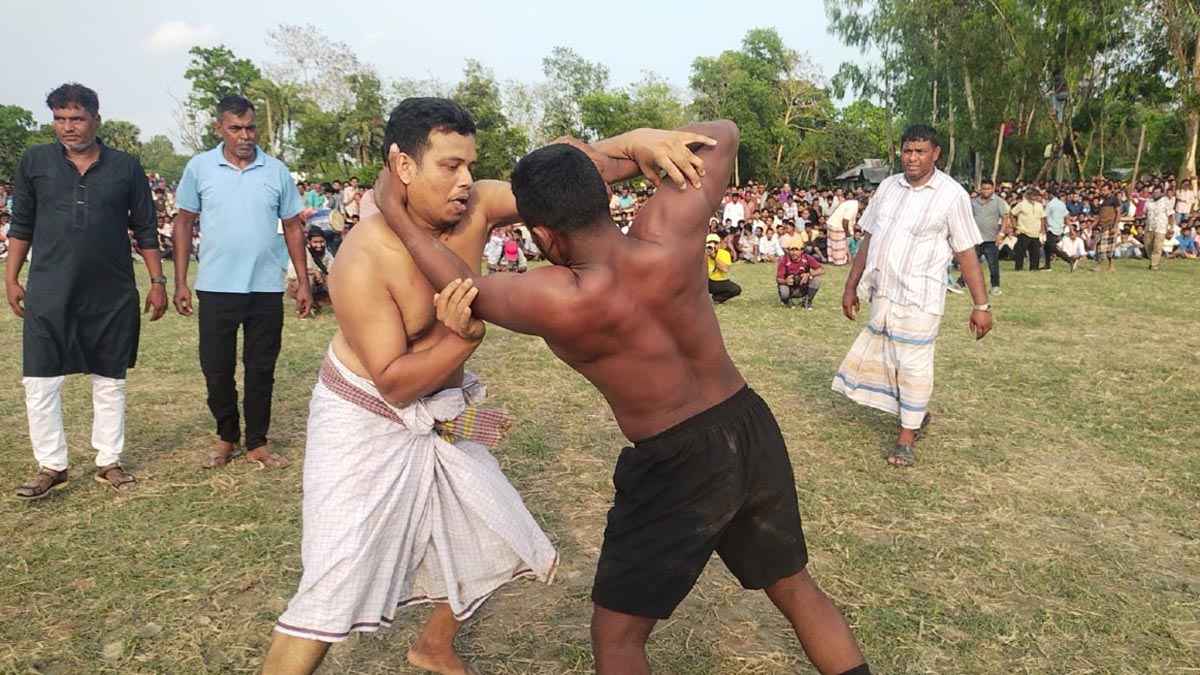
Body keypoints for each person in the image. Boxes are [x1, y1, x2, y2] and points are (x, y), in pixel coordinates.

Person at [375, 119, 872, 675]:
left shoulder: (559, 296)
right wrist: (646, 144)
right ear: (603, 197)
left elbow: (460, 285)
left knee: (618, 637)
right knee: (796, 588)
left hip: (677, 459)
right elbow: (726, 132)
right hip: (748, 423)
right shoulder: (669, 227)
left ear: (540, 234)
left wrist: (393, 211)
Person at [261, 99, 712, 675]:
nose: (467, 181)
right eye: (450, 166)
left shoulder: (476, 208)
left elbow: (570, 178)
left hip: (440, 413)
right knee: (334, 582)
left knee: (491, 525)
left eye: (470, 165)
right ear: (403, 166)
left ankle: (432, 645)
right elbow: (394, 384)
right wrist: (463, 341)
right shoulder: (364, 258)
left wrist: (643, 139)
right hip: (367, 420)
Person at [6, 83, 167, 499]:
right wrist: (11, 277)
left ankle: (108, 461)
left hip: (110, 289)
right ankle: (51, 465)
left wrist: (157, 281)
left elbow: (145, 227)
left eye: (76, 118)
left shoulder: (125, 166)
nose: (67, 127)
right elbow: (21, 223)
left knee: (109, 378)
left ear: (96, 118)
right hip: (49, 288)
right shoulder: (35, 162)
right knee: (40, 380)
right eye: (59, 119)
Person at [834, 124, 993, 468]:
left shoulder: (952, 195)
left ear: (936, 154)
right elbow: (869, 238)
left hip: (921, 296)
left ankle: (906, 437)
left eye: (921, 151)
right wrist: (851, 284)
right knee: (891, 359)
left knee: (914, 364)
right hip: (884, 293)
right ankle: (915, 415)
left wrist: (981, 305)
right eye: (908, 151)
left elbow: (966, 251)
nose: (913, 158)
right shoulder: (889, 187)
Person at [171, 95, 313, 470]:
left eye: (250, 127)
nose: (244, 135)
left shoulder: (276, 171)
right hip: (216, 286)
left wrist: (301, 278)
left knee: (260, 367)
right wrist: (180, 281)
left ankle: (257, 442)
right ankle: (226, 436)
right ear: (220, 129)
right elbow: (183, 222)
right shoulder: (200, 167)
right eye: (235, 128)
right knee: (216, 367)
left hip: (265, 287)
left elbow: (293, 226)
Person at [287, 228, 334, 312]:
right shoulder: (302, 252)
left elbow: (332, 272)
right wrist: (315, 272)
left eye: (321, 242)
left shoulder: (327, 254)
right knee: (309, 279)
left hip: (318, 286)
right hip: (297, 284)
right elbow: (296, 273)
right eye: (315, 242)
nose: (319, 245)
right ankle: (302, 306)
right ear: (309, 242)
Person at [777, 238, 824, 309]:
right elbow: (778, 279)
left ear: (801, 251)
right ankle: (786, 301)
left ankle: (807, 301)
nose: (794, 252)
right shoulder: (784, 260)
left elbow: (821, 270)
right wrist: (785, 281)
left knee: (817, 279)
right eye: (791, 250)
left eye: (796, 250)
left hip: (803, 286)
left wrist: (809, 274)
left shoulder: (807, 258)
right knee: (783, 291)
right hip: (790, 287)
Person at [1010, 189, 1045, 271]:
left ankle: (1034, 268)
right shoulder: (1021, 204)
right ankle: (1018, 268)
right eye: (1033, 195)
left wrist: (1042, 229)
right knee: (1020, 252)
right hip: (1023, 231)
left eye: (1036, 195)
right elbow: (1011, 214)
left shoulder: (1039, 205)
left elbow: (1042, 218)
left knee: (1035, 252)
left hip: (1035, 232)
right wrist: (1015, 226)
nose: (1034, 197)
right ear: (1028, 196)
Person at [706, 232, 741, 303]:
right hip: (702, 281)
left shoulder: (724, 253)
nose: (713, 246)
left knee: (736, 289)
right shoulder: (700, 253)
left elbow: (725, 269)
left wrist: (714, 256)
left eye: (715, 243)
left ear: (719, 244)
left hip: (718, 281)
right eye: (710, 243)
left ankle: (717, 298)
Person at [1042, 188, 1073, 270]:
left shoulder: (1050, 204)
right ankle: (1047, 265)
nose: (1046, 196)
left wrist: (1045, 227)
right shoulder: (1061, 204)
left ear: (1050, 194)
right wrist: (1069, 228)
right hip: (1059, 228)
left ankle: (1069, 259)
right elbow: (1067, 216)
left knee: (1052, 247)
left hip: (1051, 228)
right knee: (1047, 247)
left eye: (1047, 194)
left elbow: (1044, 217)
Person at [1093, 185, 1121, 272]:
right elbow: (1100, 214)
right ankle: (1104, 266)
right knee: (1100, 246)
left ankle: (1106, 266)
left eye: (1105, 190)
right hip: (1102, 226)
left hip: (1110, 226)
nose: (1103, 192)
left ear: (1109, 190)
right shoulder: (1102, 200)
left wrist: (1115, 226)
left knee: (1109, 247)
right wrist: (1094, 225)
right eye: (1102, 190)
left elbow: (1118, 212)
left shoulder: (1114, 199)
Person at [1145, 186, 1173, 270]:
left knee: (1157, 246)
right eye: (1154, 192)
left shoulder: (1166, 201)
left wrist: (1171, 227)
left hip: (1161, 227)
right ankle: (1152, 259)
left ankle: (1154, 264)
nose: (1155, 194)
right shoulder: (1149, 201)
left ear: (1161, 193)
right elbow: (1145, 212)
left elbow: (1171, 215)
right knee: (1148, 245)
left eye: (1157, 192)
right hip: (1149, 226)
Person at [826, 196, 858, 265]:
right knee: (839, 246)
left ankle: (834, 260)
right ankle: (839, 262)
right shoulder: (853, 207)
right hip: (838, 226)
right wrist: (847, 233)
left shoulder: (851, 203)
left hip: (833, 223)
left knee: (834, 245)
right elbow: (845, 221)